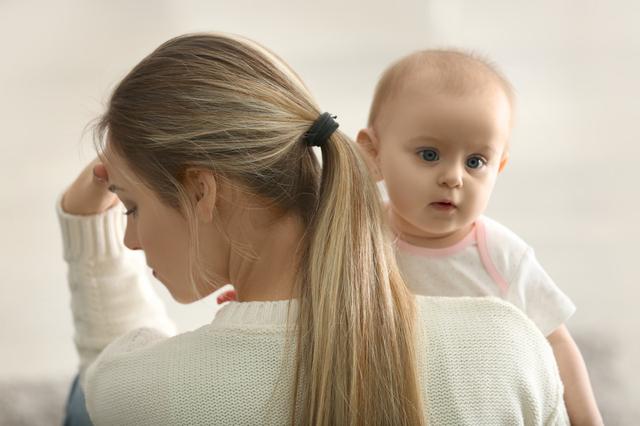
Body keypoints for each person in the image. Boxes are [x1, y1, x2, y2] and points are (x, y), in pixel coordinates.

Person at [58, 33, 569, 425]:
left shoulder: (143, 390)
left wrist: (88, 234)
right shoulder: (510, 350)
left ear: (200, 191)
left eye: (131, 207)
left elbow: (104, 377)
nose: (131, 239)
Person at [356, 49, 602, 425]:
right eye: (429, 154)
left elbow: (556, 341)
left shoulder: (502, 257)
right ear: (373, 153)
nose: (453, 177)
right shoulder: (358, 238)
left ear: (499, 166)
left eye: (475, 162)